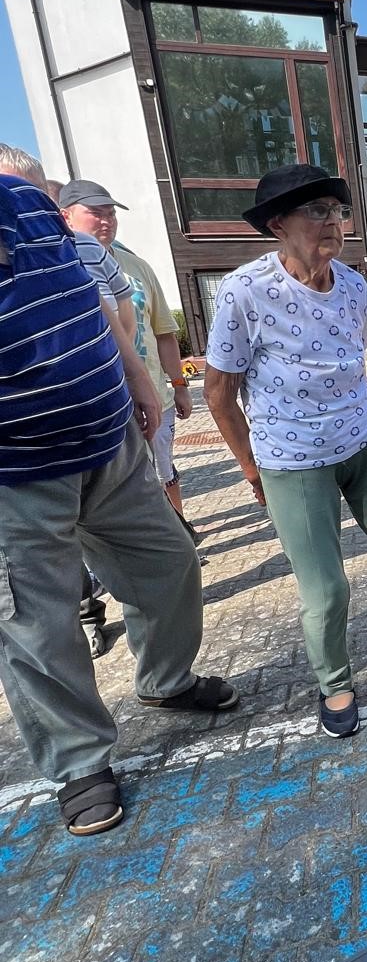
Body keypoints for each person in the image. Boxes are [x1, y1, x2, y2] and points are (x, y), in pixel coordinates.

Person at [0, 146, 237, 837]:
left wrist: (136, 372)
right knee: (40, 628)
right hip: (16, 472)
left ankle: (164, 681)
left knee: (168, 565)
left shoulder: (30, 205)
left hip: (110, 441)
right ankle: (79, 762)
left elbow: (97, 301)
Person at [205, 163, 367, 738]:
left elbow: (350, 364)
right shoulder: (244, 292)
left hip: (365, 440)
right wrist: (252, 468)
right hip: (292, 459)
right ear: (278, 223)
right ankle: (336, 685)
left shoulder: (352, 284)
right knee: (326, 590)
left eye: (338, 210)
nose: (334, 222)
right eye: (317, 211)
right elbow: (219, 393)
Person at [58, 179, 197, 535]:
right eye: (95, 213)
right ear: (66, 216)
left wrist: (179, 385)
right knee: (116, 490)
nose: (106, 220)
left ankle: (179, 534)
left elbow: (164, 333)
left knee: (164, 472)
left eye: (111, 213)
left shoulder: (138, 267)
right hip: (101, 403)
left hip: (155, 396)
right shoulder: (57, 267)